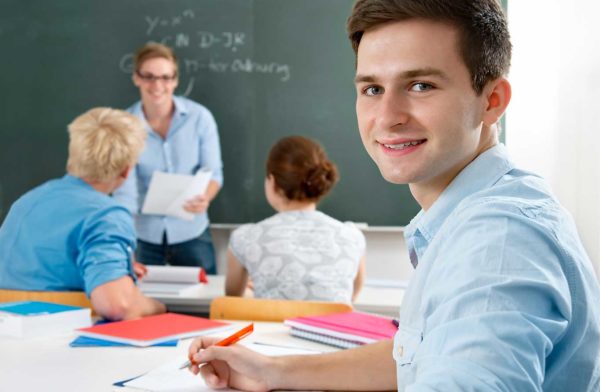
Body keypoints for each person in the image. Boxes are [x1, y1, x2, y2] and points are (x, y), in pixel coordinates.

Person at [186, 0, 600, 390]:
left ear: (491, 101)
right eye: (371, 89)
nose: (387, 118)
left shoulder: (497, 241)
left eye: (420, 85)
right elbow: (420, 354)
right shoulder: (477, 209)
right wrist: (273, 370)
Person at [0, 108, 166, 321]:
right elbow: (118, 305)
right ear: (126, 170)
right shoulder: (106, 215)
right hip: (65, 338)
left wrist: (115, 269)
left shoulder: (25, 203)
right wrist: (157, 307)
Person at [113, 42, 223, 273]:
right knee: (142, 305)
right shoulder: (125, 125)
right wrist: (125, 244)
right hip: (143, 234)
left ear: (175, 80)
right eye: (149, 77)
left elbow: (214, 172)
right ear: (136, 78)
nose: (157, 85)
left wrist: (206, 197)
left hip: (191, 230)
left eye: (165, 77)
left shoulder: (199, 118)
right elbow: (124, 192)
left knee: (204, 305)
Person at [225, 135, 366, 303]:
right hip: (330, 329)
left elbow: (233, 300)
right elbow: (350, 298)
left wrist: (260, 293)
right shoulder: (352, 236)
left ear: (273, 181)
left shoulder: (245, 238)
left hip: (272, 329)